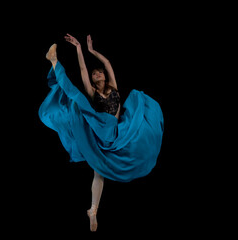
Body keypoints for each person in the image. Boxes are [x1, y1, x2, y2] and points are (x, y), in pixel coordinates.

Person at [40, 34, 164, 232]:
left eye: (99, 73)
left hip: (115, 133)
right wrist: (79, 48)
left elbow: (106, 63)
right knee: (77, 98)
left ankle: (92, 210)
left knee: (101, 172)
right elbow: (82, 69)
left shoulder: (114, 87)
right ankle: (54, 61)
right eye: (94, 74)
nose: (97, 74)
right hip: (100, 129)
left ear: (105, 76)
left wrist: (92, 51)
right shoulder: (92, 92)